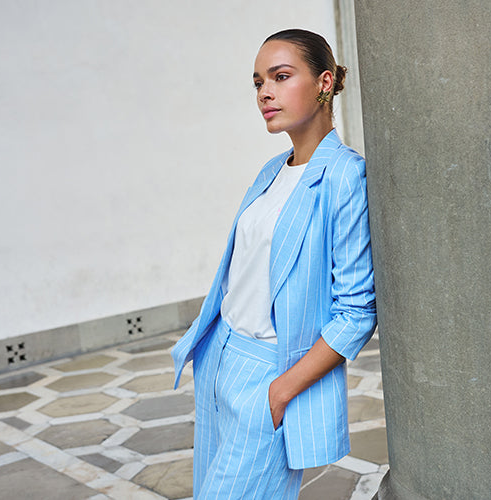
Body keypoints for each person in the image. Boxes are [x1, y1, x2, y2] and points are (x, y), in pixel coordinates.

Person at [167, 28, 377, 499]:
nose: (265, 92)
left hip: (270, 373)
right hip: (222, 360)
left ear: (325, 82)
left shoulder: (345, 176)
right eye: (259, 81)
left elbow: (357, 311)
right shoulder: (271, 171)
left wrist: (280, 391)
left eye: (281, 77)